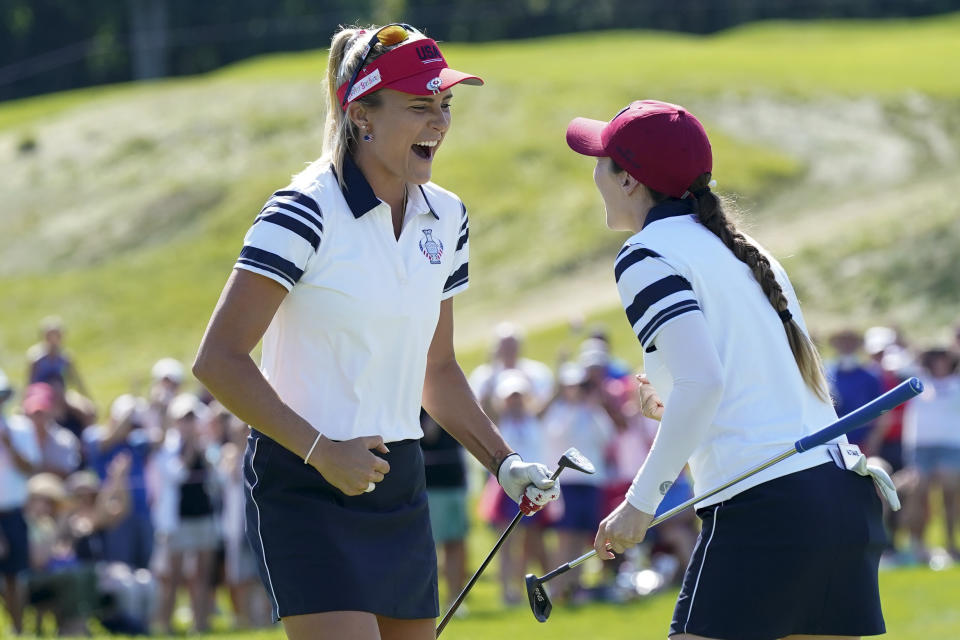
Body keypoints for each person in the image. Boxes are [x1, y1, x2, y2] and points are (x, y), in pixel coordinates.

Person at [191, 23, 560, 640]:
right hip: (306, 482)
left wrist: (504, 462)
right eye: (420, 108)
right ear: (361, 114)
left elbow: (435, 370)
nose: (439, 124)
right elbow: (218, 359)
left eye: (445, 106)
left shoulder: (448, 215)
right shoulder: (301, 210)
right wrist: (320, 452)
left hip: (401, 482)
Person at [565, 99, 891, 639]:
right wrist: (668, 396)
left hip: (770, 509)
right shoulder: (743, 247)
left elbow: (705, 382)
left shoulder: (644, 253)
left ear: (629, 182)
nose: (594, 172)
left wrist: (638, 505)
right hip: (841, 498)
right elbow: (729, 381)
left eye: (602, 160)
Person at [901, 348, 960, 562]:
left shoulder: (957, 383)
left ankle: (952, 544)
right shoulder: (917, 381)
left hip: (951, 447)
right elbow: (901, 363)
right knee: (918, 493)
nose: (939, 364)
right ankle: (918, 546)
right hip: (920, 447)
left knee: (950, 494)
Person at [0, 369, 40, 634]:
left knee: (15, 577)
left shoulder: (20, 429)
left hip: (14, 513)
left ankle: (17, 630)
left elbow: (30, 467)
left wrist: (9, 444)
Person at [418, 409, 469, 613]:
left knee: (456, 542)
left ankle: (455, 600)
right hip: (431, 485)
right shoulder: (417, 403)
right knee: (430, 546)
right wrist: (435, 409)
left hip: (455, 481)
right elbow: (428, 434)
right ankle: (426, 601)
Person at [826, 329, 883, 447]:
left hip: (861, 441)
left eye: (850, 342)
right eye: (842, 342)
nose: (846, 346)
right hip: (834, 441)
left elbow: (882, 413)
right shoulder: (827, 374)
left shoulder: (870, 377)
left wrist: (873, 441)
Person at [26, 316, 90, 398]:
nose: (53, 340)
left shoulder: (65, 357)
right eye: (50, 336)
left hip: (60, 392)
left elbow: (77, 381)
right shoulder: (36, 357)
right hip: (39, 393)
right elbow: (29, 382)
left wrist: (87, 398)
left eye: (56, 336)